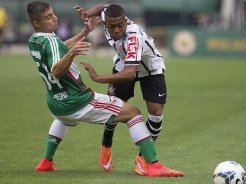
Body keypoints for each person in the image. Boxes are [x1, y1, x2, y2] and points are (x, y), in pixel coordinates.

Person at [27, 1, 183, 177]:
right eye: (49, 17)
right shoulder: (52, 40)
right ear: (36, 23)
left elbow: (61, 46)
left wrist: (85, 31)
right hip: (78, 100)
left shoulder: (35, 40)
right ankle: (152, 164)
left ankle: (46, 161)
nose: (54, 18)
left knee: (63, 119)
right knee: (133, 113)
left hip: (56, 102)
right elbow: (56, 69)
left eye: (53, 14)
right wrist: (73, 53)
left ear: (125, 21)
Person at [75, 4, 169, 176]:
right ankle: (106, 144)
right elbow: (104, 7)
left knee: (156, 114)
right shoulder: (107, 16)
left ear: (126, 21)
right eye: (112, 26)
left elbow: (129, 74)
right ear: (105, 23)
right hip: (123, 64)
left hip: (149, 69)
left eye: (120, 25)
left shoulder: (133, 37)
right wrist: (88, 14)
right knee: (114, 110)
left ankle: (142, 158)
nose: (116, 30)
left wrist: (97, 78)